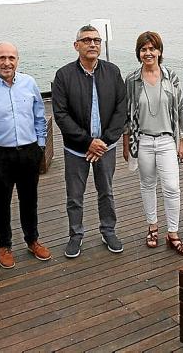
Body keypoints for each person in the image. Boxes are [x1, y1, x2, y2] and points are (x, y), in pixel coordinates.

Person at [52, 25, 127, 258]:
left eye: (96, 40)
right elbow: (61, 115)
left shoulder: (113, 72)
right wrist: (87, 142)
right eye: (86, 40)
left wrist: (103, 141)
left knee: (107, 191)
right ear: (77, 46)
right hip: (76, 150)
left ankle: (108, 231)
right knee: (75, 195)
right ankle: (76, 235)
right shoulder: (63, 75)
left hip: (106, 147)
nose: (92, 44)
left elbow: (121, 109)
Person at [0, 42, 51, 269]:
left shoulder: (29, 83)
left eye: (11, 58)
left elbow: (40, 116)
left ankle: (32, 240)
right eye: (2, 58)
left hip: (29, 152)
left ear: (17, 59)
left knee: (30, 200)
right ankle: (4, 245)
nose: (7, 62)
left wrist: (40, 146)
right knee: (1, 203)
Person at [122, 31, 183, 256]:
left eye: (152, 48)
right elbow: (126, 115)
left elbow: (181, 110)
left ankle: (173, 233)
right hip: (142, 142)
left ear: (159, 51)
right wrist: (126, 144)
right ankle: (152, 227)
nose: (148, 53)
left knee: (172, 187)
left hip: (166, 140)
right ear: (139, 53)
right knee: (147, 185)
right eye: (144, 49)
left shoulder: (171, 76)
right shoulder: (131, 79)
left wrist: (182, 140)